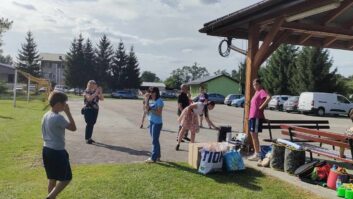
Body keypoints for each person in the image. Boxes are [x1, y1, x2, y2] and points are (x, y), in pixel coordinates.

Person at [42, 92, 77, 199]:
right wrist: (68, 112)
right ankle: (50, 197)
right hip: (57, 151)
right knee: (66, 178)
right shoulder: (58, 118)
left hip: (46, 150)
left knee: (52, 178)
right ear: (58, 104)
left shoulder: (46, 115)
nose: (65, 105)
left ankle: (51, 196)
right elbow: (73, 128)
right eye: (64, 103)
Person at [247, 78, 271, 161]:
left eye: (256, 84)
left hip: (256, 117)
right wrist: (264, 117)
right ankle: (256, 153)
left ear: (260, 84)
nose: (255, 86)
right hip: (252, 116)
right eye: (253, 85)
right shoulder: (256, 92)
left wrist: (261, 107)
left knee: (254, 135)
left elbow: (269, 97)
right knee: (252, 134)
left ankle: (257, 154)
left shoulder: (261, 91)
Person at [144, 87, 164, 163]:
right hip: (151, 122)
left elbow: (159, 113)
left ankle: (153, 158)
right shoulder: (152, 100)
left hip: (157, 123)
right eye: (149, 92)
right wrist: (146, 99)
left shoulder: (159, 101)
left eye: (152, 92)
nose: (150, 93)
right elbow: (146, 109)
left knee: (154, 141)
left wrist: (151, 109)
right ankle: (158, 156)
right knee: (155, 140)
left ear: (156, 92)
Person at [83, 80, 104, 144]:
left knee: (92, 123)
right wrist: (96, 92)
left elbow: (102, 99)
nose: (95, 85)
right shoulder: (86, 91)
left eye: (95, 84)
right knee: (89, 123)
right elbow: (89, 98)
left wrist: (100, 93)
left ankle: (89, 138)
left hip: (95, 110)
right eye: (93, 84)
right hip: (88, 109)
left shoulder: (96, 92)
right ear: (89, 85)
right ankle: (87, 138)